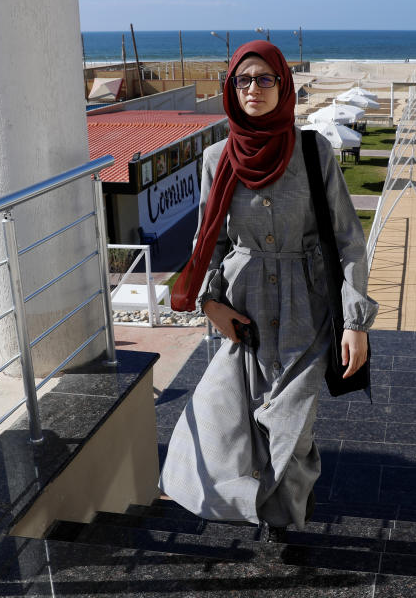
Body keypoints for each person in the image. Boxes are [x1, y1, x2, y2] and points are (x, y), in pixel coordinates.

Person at [161, 41, 378, 541]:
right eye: (243, 80)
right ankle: (261, 519)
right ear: (229, 90)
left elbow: (348, 239)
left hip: (308, 308)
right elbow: (207, 240)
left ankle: (289, 530)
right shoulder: (217, 157)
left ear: (284, 86)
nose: (253, 89)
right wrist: (210, 304)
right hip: (246, 311)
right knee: (227, 423)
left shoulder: (313, 150)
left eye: (264, 79)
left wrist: (355, 323)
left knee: (292, 432)